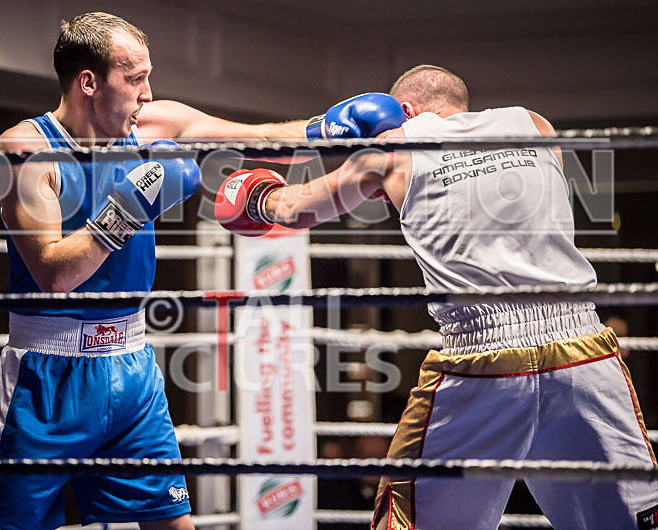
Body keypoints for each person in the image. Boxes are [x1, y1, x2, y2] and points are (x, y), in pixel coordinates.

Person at [215, 65, 658, 529]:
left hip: (483, 359)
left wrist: (250, 193)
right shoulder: (533, 123)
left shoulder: (393, 148)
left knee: (412, 519)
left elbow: (294, 209)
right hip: (583, 351)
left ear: (402, 111)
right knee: (630, 519)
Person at [0, 11, 334, 530]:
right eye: (134, 78)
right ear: (89, 82)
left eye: (148, 76)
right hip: (46, 377)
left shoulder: (154, 125)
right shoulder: (26, 150)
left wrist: (332, 128)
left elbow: (255, 138)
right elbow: (53, 273)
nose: (147, 92)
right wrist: (128, 207)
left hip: (132, 367)